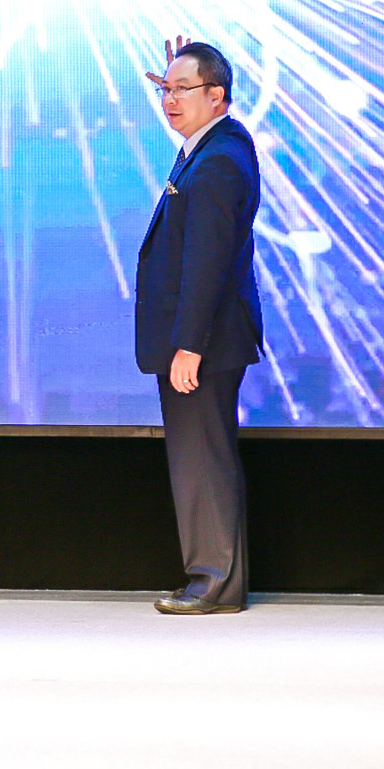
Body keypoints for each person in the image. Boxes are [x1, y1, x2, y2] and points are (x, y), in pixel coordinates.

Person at [135, 37, 264, 615]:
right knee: (199, 458)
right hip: (201, 339)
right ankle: (214, 579)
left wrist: (188, 345)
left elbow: (206, 263)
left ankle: (214, 582)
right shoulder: (209, 147)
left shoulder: (217, 161)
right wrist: (180, 76)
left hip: (202, 343)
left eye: (182, 89)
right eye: (165, 89)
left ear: (218, 95)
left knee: (203, 461)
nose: (169, 99)